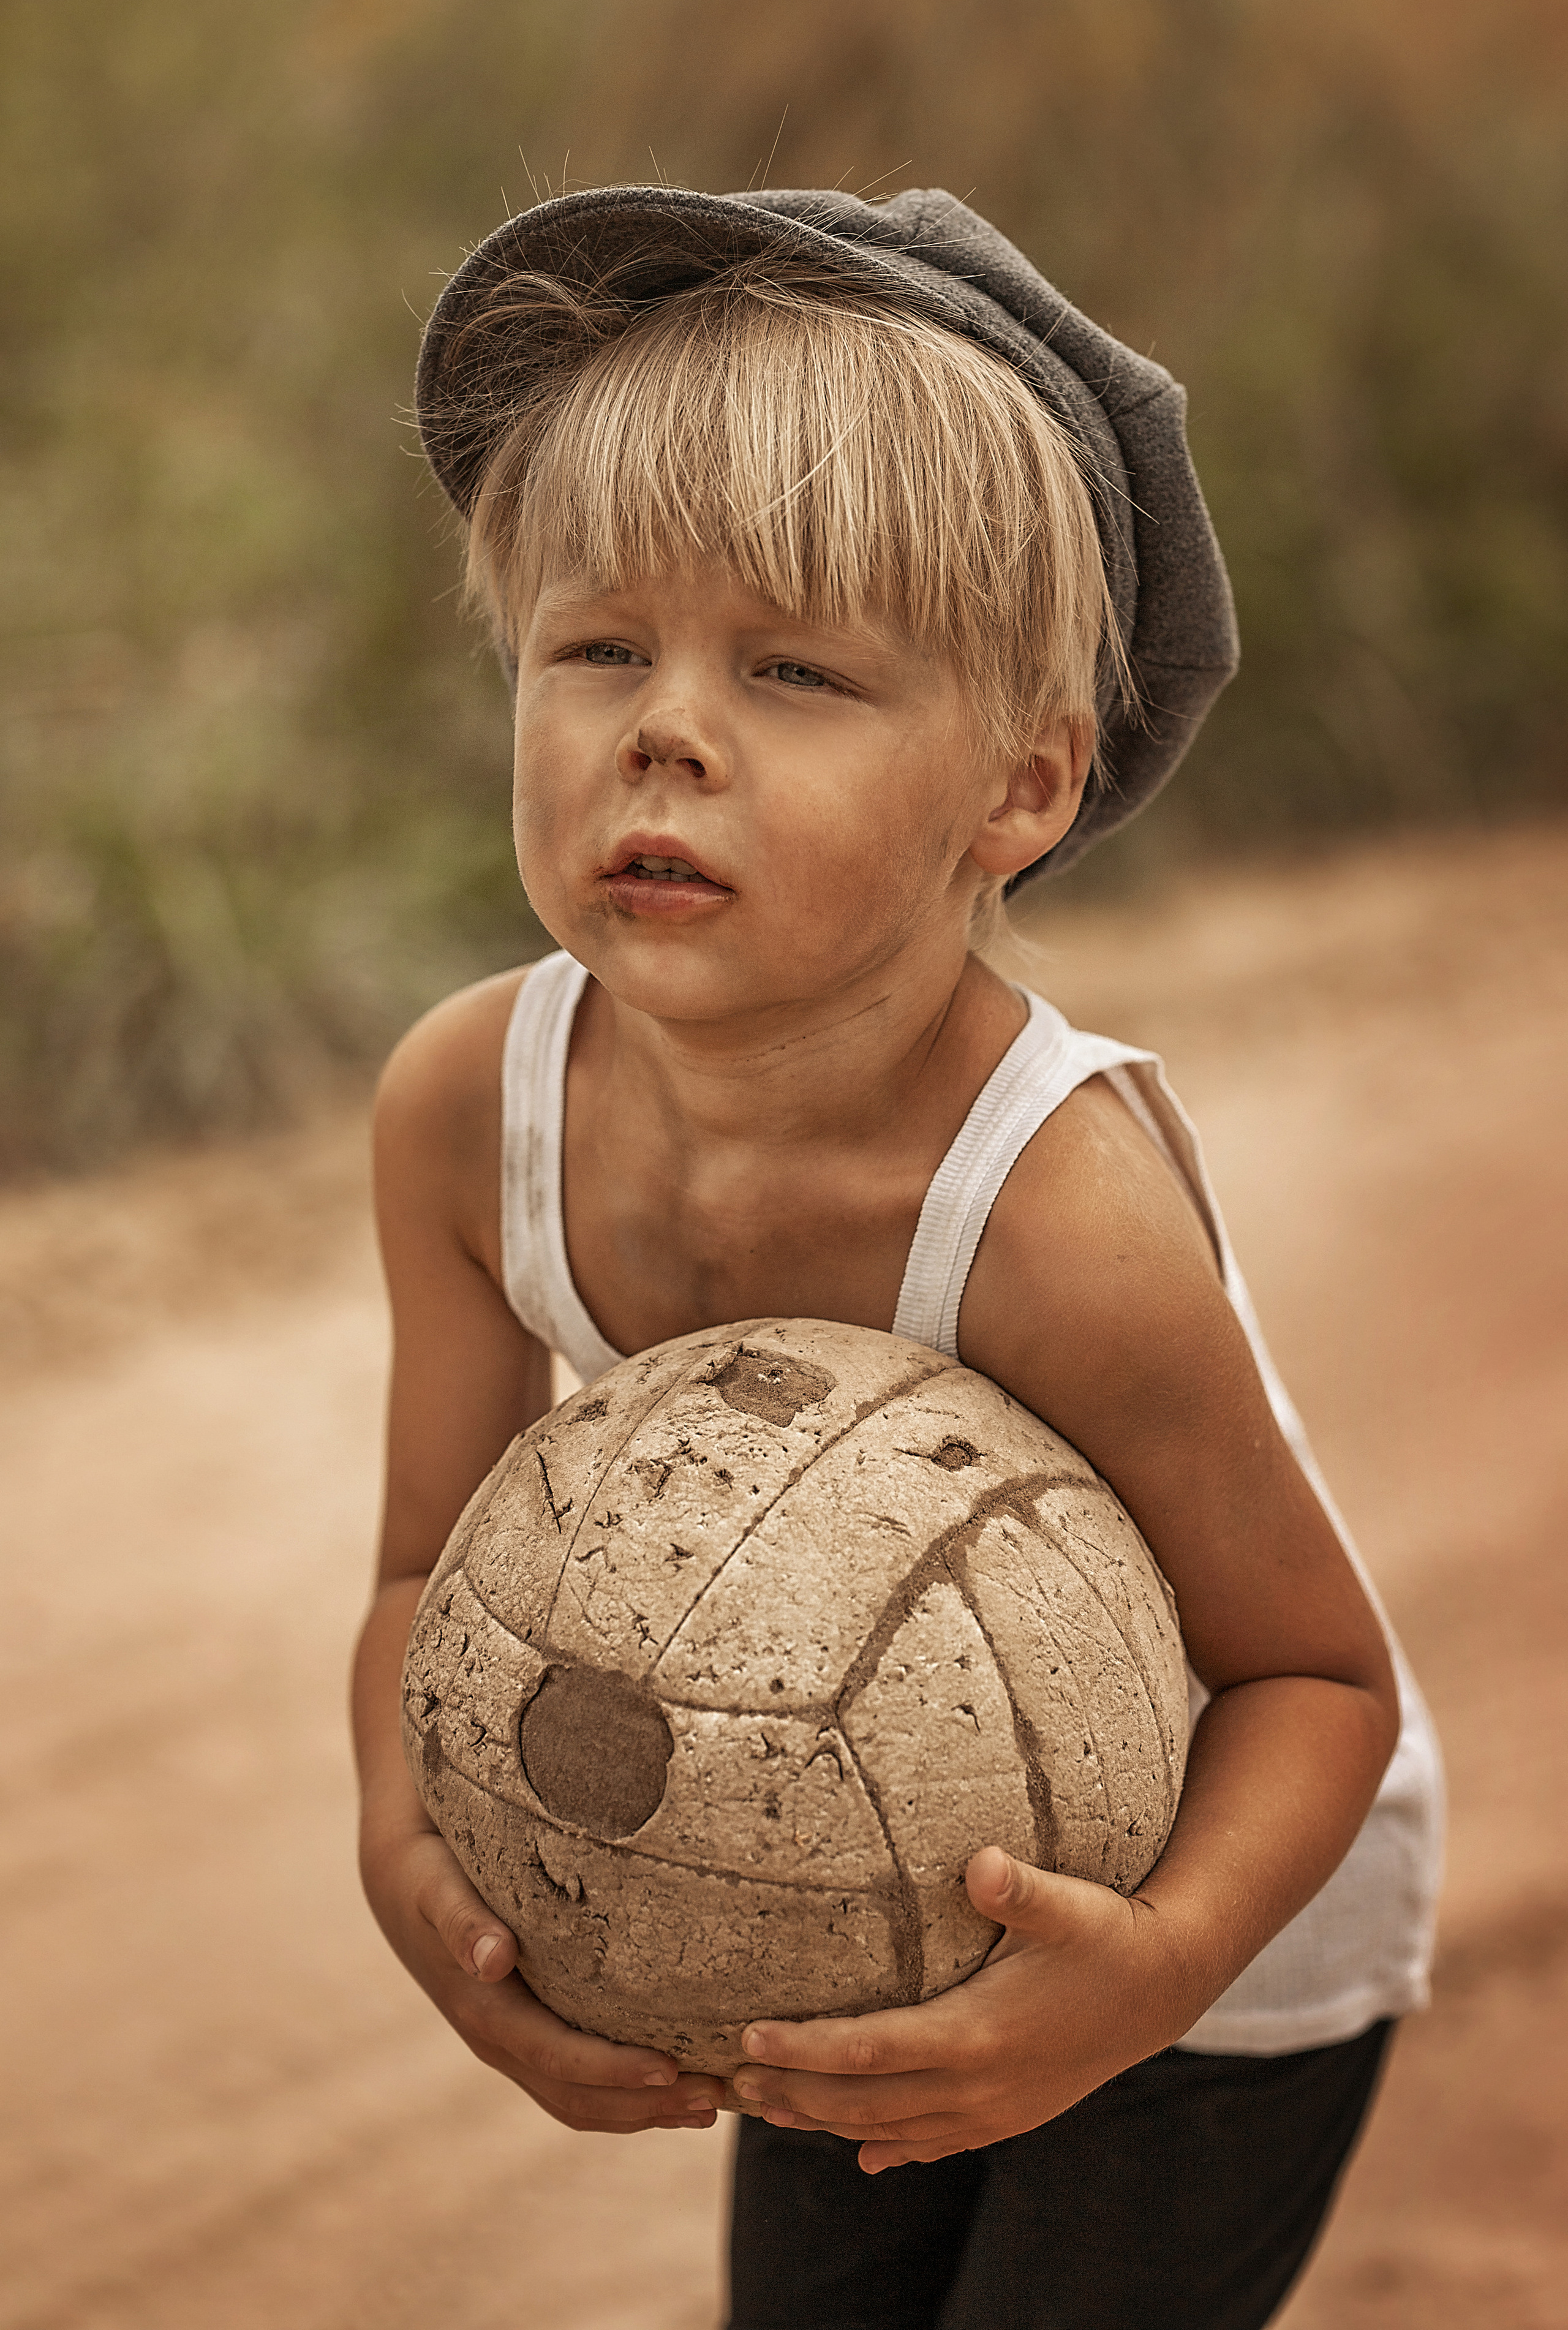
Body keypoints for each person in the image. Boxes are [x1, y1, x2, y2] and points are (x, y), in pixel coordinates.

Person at [352, 187, 1444, 2329]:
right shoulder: (469, 1110)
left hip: (1217, 1955)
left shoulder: (1052, 1214)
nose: (666, 728)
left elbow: (1317, 1683)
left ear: (1021, 787)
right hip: (816, 1869)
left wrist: (1139, 1981)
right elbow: (418, 1570)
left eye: (794, 670)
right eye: (598, 647)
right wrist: (415, 1863)